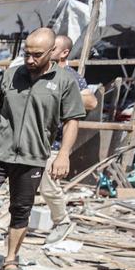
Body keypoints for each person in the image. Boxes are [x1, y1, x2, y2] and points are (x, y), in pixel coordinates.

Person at [0, 28, 86, 270]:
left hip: (32, 156)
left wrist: (63, 155)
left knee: (21, 210)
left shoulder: (64, 81)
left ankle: (10, 260)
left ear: (52, 52)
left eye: (37, 55)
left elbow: (72, 121)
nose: (29, 60)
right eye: (26, 53)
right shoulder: (11, 74)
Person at [38, 34, 99, 243]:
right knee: (20, 185)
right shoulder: (42, 74)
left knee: (48, 186)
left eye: (52, 49)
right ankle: (3, 225)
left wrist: (61, 95)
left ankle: (62, 222)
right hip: (32, 140)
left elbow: (91, 102)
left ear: (64, 53)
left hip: (53, 143)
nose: (48, 52)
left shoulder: (70, 77)